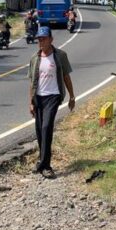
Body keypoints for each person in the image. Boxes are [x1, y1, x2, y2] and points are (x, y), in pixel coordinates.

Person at [28, 27, 74, 178]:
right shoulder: (35, 58)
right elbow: (32, 83)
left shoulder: (60, 55)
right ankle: (42, 161)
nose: (41, 42)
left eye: (44, 39)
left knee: (47, 127)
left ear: (51, 39)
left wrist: (72, 96)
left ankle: (46, 166)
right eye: (39, 39)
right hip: (39, 98)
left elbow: (66, 76)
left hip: (53, 96)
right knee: (40, 130)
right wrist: (31, 102)